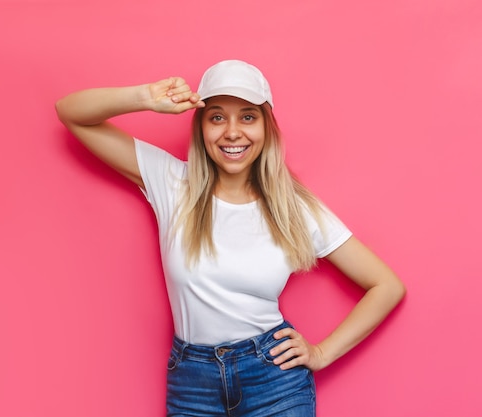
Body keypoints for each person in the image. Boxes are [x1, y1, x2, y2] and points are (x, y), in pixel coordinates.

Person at [55, 59, 406, 417]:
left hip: (274, 380)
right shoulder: (174, 184)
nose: (232, 132)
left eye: (248, 117)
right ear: (201, 127)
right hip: (193, 383)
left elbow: (386, 285)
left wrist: (322, 352)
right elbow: (70, 112)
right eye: (217, 117)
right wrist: (145, 97)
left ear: (266, 128)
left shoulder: (293, 206)